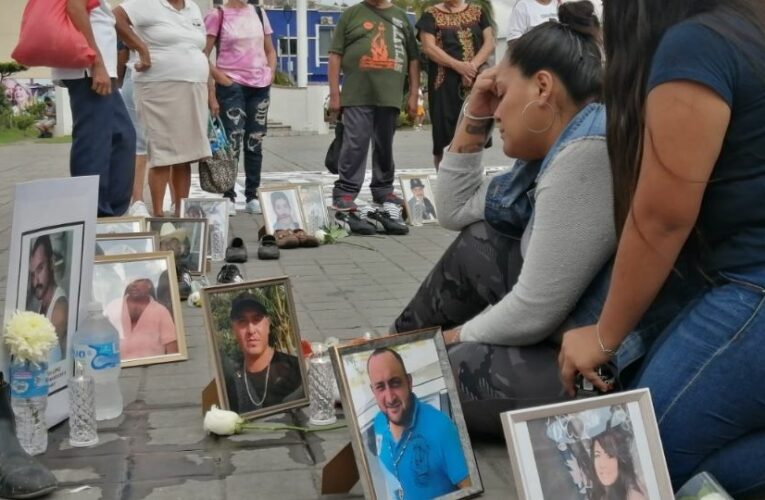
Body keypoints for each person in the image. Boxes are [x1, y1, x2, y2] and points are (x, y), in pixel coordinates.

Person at [557, 0, 765, 496]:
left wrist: (604, 336)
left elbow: (662, 216)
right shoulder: (749, 30)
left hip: (754, 289)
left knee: (626, 460)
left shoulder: (700, 44)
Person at [390, 2, 612, 436]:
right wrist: (474, 106)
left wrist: (446, 341)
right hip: (561, 327)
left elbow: (533, 312)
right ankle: (386, 350)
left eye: (502, 94)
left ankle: (389, 364)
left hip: (598, 364)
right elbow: (453, 209)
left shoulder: (586, 152)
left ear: (543, 89)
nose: (496, 110)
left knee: (430, 375)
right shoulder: (556, 145)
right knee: (481, 240)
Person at [114, 0, 212, 218]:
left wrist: (211, 93)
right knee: (163, 154)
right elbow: (116, 17)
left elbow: (201, 50)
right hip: (158, 87)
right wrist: (141, 48)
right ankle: (158, 215)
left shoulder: (193, 8)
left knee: (185, 156)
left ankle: (181, 214)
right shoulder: (146, 3)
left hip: (194, 87)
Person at [327, 0, 420, 213]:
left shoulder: (401, 17)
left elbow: (414, 59)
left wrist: (414, 94)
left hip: (390, 96)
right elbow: (335, 55)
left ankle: (383, 189)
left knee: (384, 145)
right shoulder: (351, 15)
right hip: (356, 94)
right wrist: (335, 94)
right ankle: (345, 192)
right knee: (355, 143)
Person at [51, 0, 135, 217]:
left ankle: (111, 215)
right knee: (94, 143)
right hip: (87, 69)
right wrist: (96, 63)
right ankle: (92, 215)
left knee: (123, 136)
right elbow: (74, 7)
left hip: (95, 67)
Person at [204, 0, 277, 215]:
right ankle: (228, 195)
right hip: (231, 87)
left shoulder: (259, 12)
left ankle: (252, 195)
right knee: (232, 141)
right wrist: (220, 81)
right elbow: (202, 53)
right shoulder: (218, 14)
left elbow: (270, 50)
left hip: (259, 87)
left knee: (254, 141)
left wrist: (270, 74)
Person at [367, 348, 470, 498]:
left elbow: (471, 490)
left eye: (395, 383)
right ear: (373, 391)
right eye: (380, 387)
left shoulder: (442, 429)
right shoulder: (379, 422)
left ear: (409, 382)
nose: (390, 398)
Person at [417, 0, 495, 167]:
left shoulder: (478, 12)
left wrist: (471, 67)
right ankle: (445, 188)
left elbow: (489, 43)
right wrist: (458, 66)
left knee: (475, 136)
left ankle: (471, 185)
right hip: (443, 86)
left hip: (474, 83)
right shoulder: (430, 15)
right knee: (443, 141)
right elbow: (428, 47)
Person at [223, 293, 303, 413]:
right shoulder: (231, 380)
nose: (251, 330)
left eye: (256, 320)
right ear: (233, 329)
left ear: (268, 324)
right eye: (242, 322)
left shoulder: (294, 368)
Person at [117, 41, 151, 217]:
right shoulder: (128, 14)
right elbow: (122, 49)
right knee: (140, 143)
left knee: (154, 142)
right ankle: (137, 200)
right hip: (137, 74)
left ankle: (174, 202)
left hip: (161, 76)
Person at [104, 278, 177, 360]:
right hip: (116, 368)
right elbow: (100, 338)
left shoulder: (161, 311)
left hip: (153, 368)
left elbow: (171, 347)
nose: (133, 284)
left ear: (149, 284)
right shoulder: (113, 306)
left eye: (138, 281)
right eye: (130, 280)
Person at [27, 235, 68, 363]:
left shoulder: (59, 309)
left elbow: (46, 360)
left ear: (51, 263)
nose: (35, 281)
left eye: (40, 269)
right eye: (32, 274)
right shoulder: (43, 303)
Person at [590, 430, 646, 500]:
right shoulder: (600, 491)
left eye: (610, 455)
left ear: (621, 460)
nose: (602, 464)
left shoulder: (633, 496)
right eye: (597, 455)